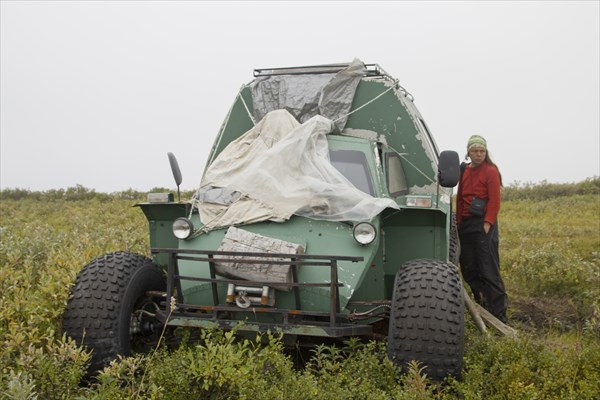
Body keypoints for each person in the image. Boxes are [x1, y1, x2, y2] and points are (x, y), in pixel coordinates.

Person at [456, 134, 508, 323]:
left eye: (482, 151)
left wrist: (487, 223)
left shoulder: (491, 170)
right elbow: (460, 197)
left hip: (484, 224)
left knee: (488, 269)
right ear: (468, 152)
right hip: (466, 224)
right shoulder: (464, 171)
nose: (478, 154)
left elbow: (495, 200)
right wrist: (458, 221)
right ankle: (482, 303)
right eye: (475, 151)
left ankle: (499, 315)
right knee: (468, 267)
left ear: (485, 153)